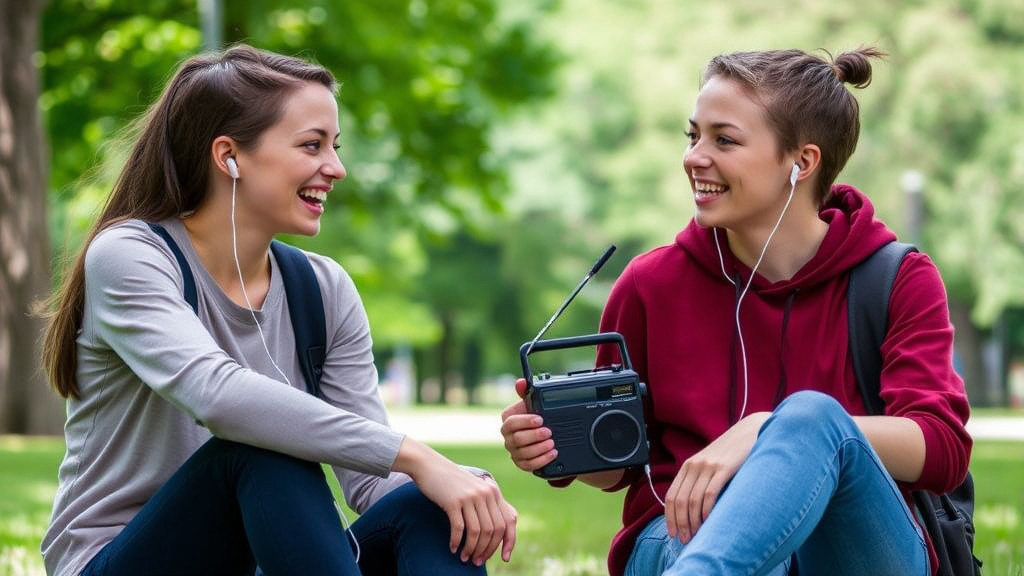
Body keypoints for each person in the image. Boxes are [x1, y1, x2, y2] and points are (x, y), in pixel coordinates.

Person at [40, 44, 516, 576]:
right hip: (123, 560)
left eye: (334, 146)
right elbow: (220, 399)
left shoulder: (324, 288)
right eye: (311, 146)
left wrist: (463, 486)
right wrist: (418, 455)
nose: (335, 168)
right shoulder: (131, 255)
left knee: (438, 506)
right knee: (263, 446)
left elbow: (370, 483)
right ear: (229, 156)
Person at [500, 47, 971, 576]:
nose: (694, 156)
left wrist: (775, 431)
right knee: (726, 523)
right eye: (693, 135)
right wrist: (551, 442)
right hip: (679, 535)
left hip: (854, 546)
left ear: (802, 162)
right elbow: (623, 467)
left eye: (723, 139)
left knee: (812, 415)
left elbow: (943, 448)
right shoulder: (650, 284)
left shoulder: (896, 278)